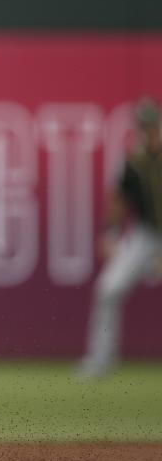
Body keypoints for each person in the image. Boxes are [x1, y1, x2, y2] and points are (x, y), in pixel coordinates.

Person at [79, 97, 162, 378]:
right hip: (146, 235)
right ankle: (101, 358)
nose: (148, 131)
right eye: (144, 126)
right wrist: (110, 231)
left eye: (152, 125)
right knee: (108, 289)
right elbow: (118, 198)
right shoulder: (133, 161)